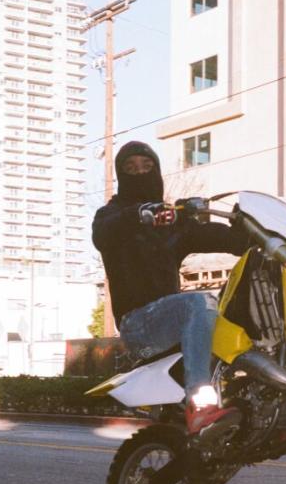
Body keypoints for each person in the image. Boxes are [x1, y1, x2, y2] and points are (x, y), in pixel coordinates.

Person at [92, 139, 247, 435]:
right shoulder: (111, 216)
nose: (140, 173)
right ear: (121, 176)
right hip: (138, 325)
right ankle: (200, 404)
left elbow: (221, 239)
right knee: (199, 302)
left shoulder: (169, 221)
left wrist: (246, 227)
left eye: (147, 166)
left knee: (234, 307)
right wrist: (138, 213)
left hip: (173, 325)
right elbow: (103, 234)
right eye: (131, 168)